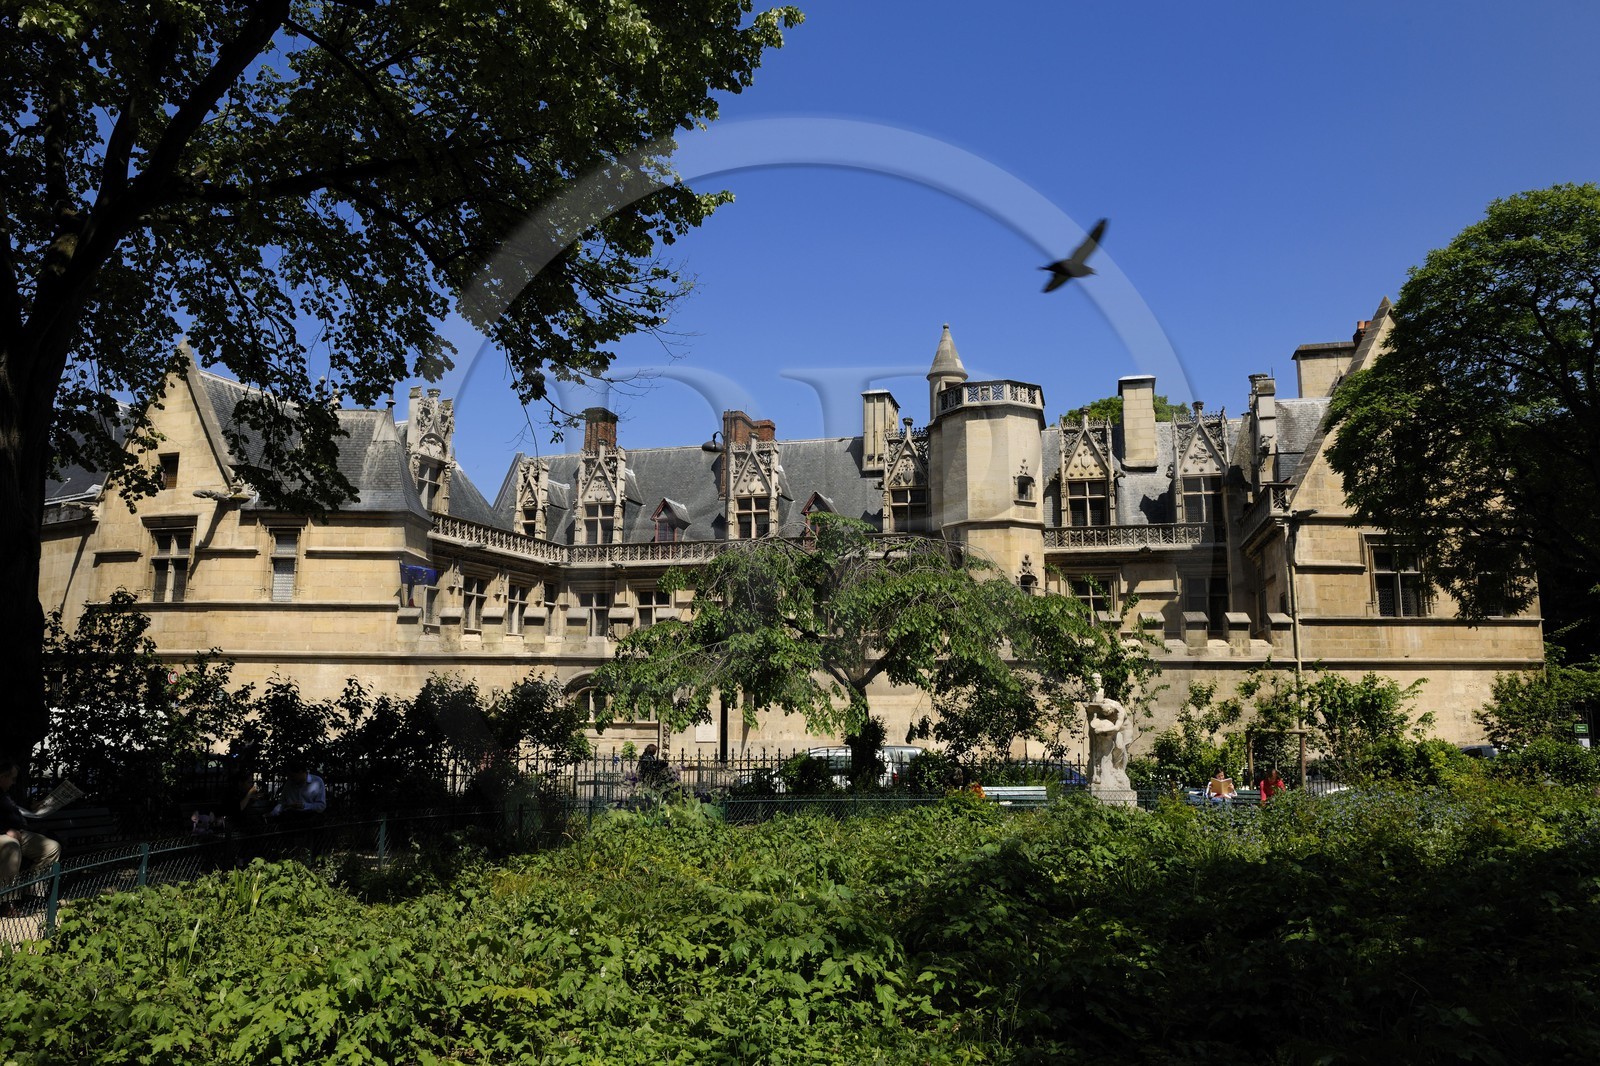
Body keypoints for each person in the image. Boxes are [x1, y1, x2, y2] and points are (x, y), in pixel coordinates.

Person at [0, 759, 61, 917]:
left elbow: (14, 811)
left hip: (17, 831)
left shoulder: (6, 792)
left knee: (51, 847)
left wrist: (34, 808)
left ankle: (34, 892)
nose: (14, 782)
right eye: (12, 778)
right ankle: (6, 901)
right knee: (11, 847)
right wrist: (6, 829)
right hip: (5, 835)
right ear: (2, 776)